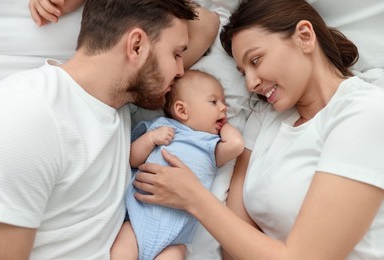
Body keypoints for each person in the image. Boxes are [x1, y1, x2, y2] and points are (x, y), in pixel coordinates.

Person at [131, 0, 384, 259]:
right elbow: (232, 243)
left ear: (305, 37)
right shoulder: (265, 116)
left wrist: (193, 197)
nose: (251, 83)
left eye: (256, 60)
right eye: (243, 73)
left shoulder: (365, 112)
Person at [0, 0, 221, 259]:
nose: (181, 71)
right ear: (136, 46)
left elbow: (206, 22)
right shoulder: (28, 114)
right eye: (176, 54)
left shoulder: (118, 104)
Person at [111, 69, 244, 260]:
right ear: (182, 110)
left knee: (176, 254)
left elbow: (236, 145)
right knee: (122, 251)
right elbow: (132, 159)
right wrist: (150, 139)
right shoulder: (162, 128)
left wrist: (224, 124)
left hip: (174, 240)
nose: (224, 108)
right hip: (138, 220)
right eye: (214, 101)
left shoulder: (210, 145)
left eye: (224, 103)